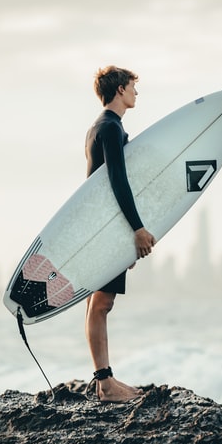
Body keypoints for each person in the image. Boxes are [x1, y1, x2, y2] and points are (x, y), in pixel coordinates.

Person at [85, 65, 156, 403]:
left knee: (98, 303)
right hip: (107, 226)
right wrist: (136, 229)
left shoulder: (98, 127)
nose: (136, 93)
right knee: (101, 303)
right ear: (119, 90)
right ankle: (105, 384)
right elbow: (116, 180)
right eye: (132, 87)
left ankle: (105, 379)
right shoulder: (110, 129)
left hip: (101, 226)